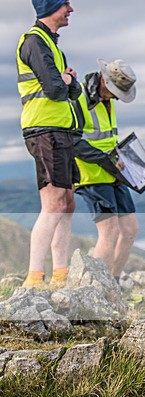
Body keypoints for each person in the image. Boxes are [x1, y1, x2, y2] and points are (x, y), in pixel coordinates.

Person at [16, 0, 80, 289]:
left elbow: (73, 90)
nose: (71, 9)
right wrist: (66, 79)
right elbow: (57, 90)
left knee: (67, 203)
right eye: (65, 3)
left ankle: (60, 275)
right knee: (54, 203)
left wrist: (67, 80)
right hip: (44, 130)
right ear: (50, 7)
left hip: (60, 131)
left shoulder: (53, 44)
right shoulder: (35, 42)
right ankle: (34, 279)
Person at [73, 59, 139, 280]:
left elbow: (107, 138)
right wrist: (105, 160)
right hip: (90, 175)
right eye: (115, 91)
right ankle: (97, 289)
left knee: (130, 229)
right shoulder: (78, 97)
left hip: (114, 172)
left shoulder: (107, 101)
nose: (117, 96)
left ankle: (114, 280)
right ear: (104, 79)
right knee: (109, 231)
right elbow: (73, 141)